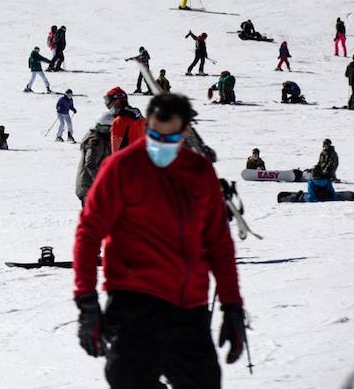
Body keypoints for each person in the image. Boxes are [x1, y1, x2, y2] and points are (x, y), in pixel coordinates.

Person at [72, 92, 245, 387]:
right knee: (127, 379)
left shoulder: (199, 172)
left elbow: (219, 244)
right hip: (133, 304)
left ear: (185, 132)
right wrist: (87, 304)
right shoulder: (122, 168)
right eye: (153, 135)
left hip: (188, 307)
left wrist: (232, 306)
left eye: (168, 138)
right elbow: (88, 235)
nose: (159, 145)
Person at [105, 87, 145, 154]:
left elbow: (116, 150)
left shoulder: (119, 121)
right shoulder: (139, 117)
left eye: (108, 101)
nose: (107, 105)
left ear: (117, 101)